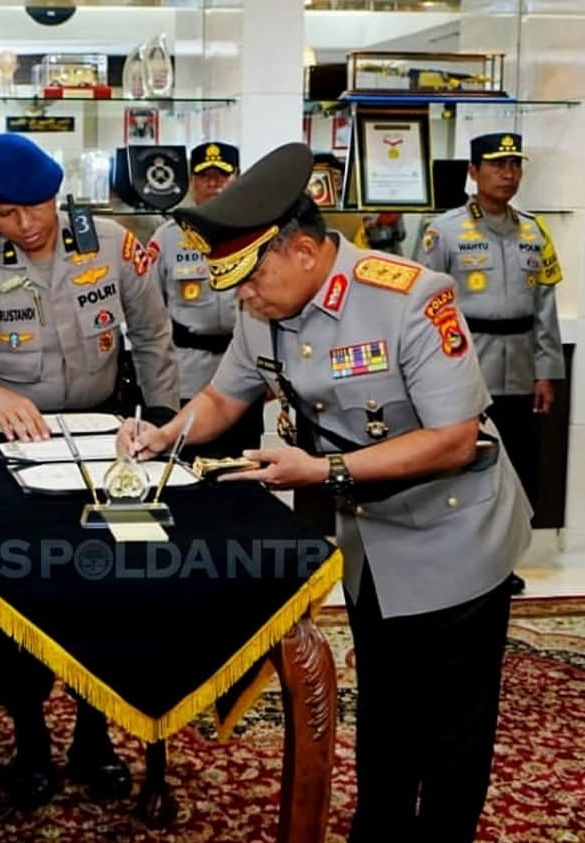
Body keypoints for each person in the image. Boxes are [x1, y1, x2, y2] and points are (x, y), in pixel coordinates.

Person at [119, 142, 531, 843]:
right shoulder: (263, 308)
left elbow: (456, 438)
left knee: (452, 733)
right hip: (374, 541)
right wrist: (168, 433)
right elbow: (224, 394)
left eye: (250, 278)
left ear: (305, 250)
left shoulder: (408, 295)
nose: (239, 296)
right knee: (386, 713)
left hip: (458, 535)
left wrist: (323, 474)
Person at [0, 132, 178, 808]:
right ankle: (30, 735)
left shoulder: (113, 244)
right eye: (8, 213)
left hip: (106, 443)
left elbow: (151, 336)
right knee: (21, 600)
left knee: (116, 595)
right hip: (23, 457)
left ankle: (96, 733)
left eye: (40, 207)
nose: (28, 225)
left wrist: (161, 421)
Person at [418, 132, 562, 594]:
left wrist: (546, 371)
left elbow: (545, 308)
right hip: (464, 365)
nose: (508, 173)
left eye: (515, 165)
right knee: (461, 467)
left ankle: (500, 564)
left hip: (519, 367)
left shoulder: (535, 232)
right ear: (473, 171)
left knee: (512, 469)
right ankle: (458, 561)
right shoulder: (445, 231)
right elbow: (422, 304)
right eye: (497, 165)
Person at [146, 141, 263, 455]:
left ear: (238, 178)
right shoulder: (168, 238)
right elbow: (149, 313)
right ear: (192, 182)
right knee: (185, 467)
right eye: (205, 176)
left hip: (244, 374)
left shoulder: (259, 235)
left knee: (244, 469)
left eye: (223, 176)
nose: (214, 184)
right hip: (187, 374)